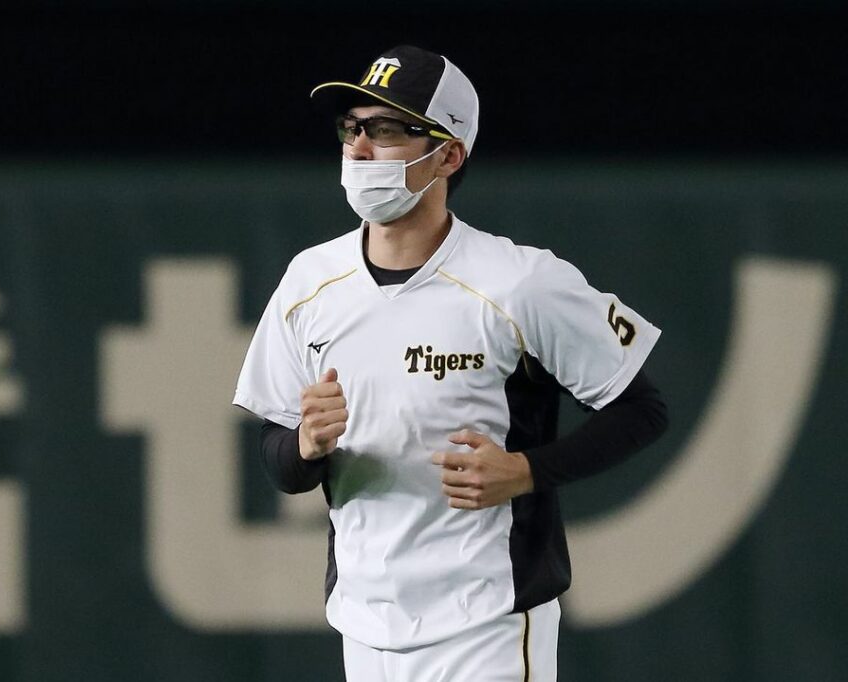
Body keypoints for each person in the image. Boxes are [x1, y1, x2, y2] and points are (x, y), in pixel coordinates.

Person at [233, 45, 668, 682]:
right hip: (365, 623)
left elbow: (641, 409)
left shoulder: (518, 282)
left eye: (387, 129)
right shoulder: (310, 281)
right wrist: (306, 445)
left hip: (488, 622)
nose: (360, 148)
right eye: (352, 127)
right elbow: (279, 463)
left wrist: (527, 470)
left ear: (449, 154)